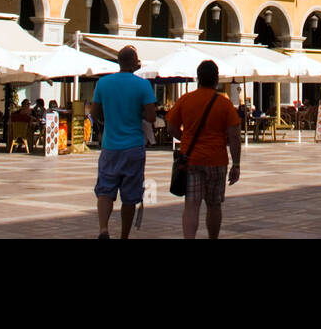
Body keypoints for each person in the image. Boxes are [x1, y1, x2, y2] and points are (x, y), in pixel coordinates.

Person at [165, 60, 241, 240]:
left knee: (191, 205)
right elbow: (234, 136)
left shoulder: (186, 99)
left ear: (198, 78)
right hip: (217, 161)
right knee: (214, 205)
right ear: (216, 79)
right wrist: (236, 164)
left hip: (191, 160)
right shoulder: (224, 104)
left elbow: (170, 127)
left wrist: (185, 138)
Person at [90, 46, 156, 240]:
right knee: (130, 195)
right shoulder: (143, 85)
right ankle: (124, 235)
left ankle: (103, 229)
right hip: (134, 146)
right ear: (135, 63)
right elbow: (151, 117)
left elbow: (94, 114)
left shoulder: (103, 83)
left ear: (118, 62)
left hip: (110, 145)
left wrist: (108, 118)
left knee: (105, 190)